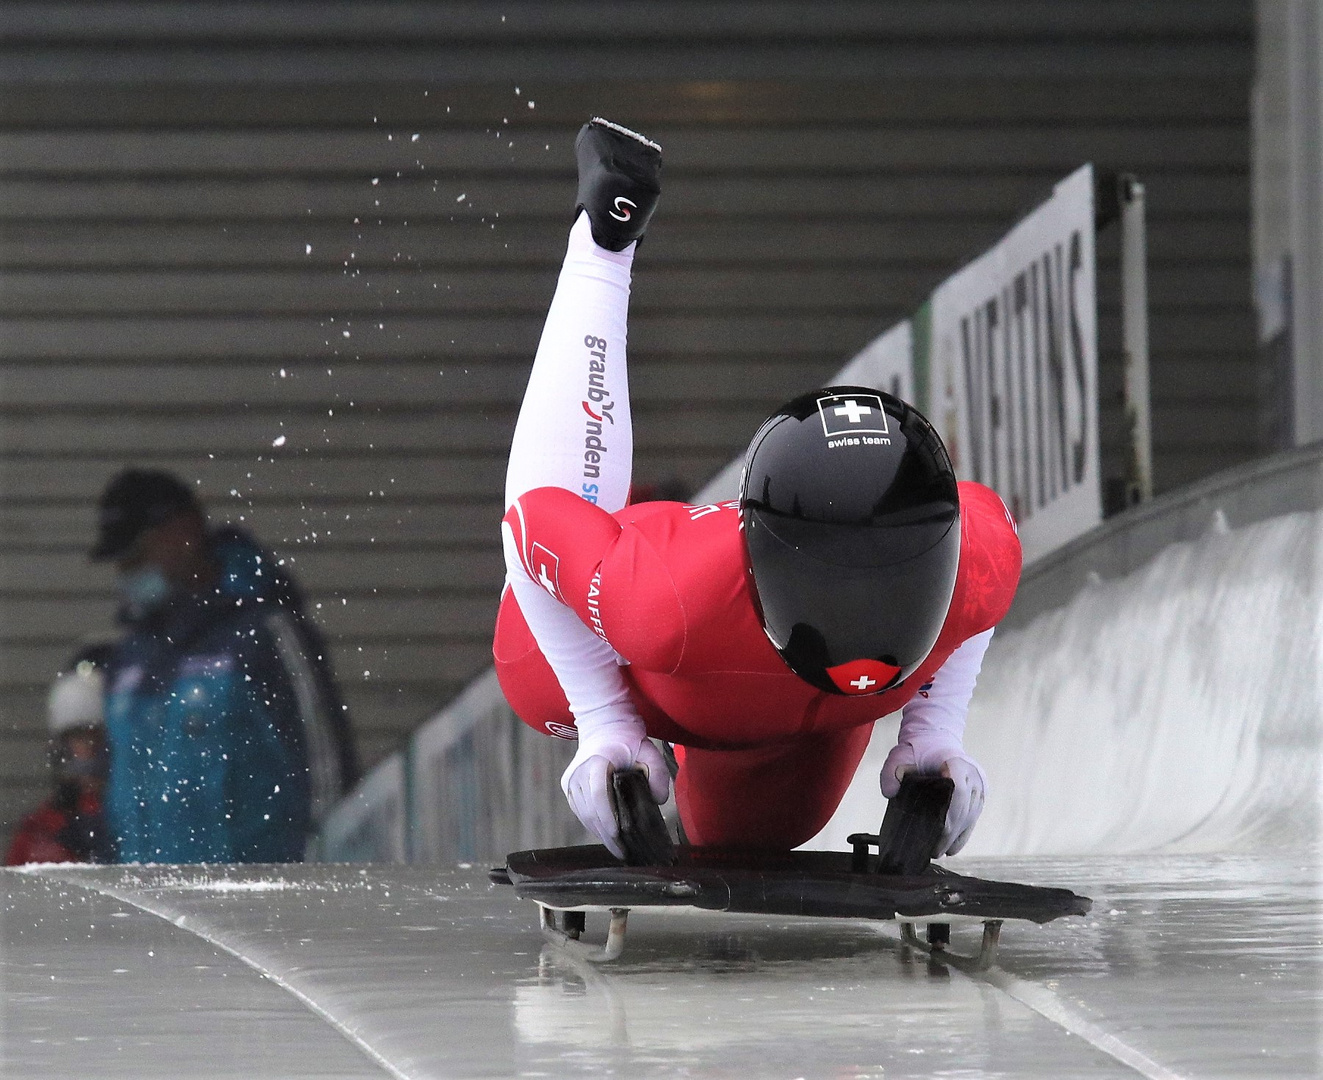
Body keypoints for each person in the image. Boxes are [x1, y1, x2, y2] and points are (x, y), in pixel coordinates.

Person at [493, 119, 1022, 859]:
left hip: (776, 706)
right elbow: (532, 521)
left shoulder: (982, 555)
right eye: (846, 586)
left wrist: (934, 739)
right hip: (639, 655)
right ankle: (602, 245)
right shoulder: (665, 601)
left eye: (893, 583)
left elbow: (974, 597)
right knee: (527, 673)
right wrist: (603, 720)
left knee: (748, 837)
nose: (866, 617)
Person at [91, 468, 359, 863]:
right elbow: (115, 797)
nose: (126, 574)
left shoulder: (262, 633)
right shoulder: (129, 658)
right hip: (148, 910)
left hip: (257, 907)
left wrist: (327, 885)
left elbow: (328, 773)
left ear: (183, 533)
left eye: (137, 557)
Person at [6, 648, 115, 866]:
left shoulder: (137, 817)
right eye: (80, 737)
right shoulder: (42, 829)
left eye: (99, 736)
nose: (91, 748)